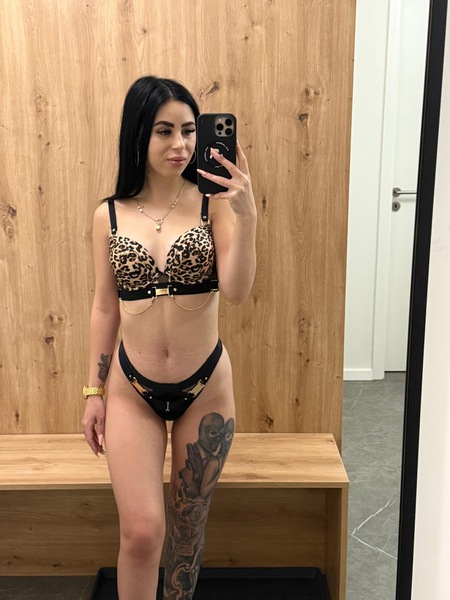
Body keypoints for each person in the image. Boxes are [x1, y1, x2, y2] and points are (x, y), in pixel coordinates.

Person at [81, 75, 257, 600]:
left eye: (188, 130)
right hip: (131, 389)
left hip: (205, 388)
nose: (180, 144)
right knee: (141, 533)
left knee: (186, 535)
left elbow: (237, 291)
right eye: (164, 131)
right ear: (139, 135)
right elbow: (104, 306)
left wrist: (247, 217)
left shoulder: (213, 204)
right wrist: (93, 392)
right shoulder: (108, 215)